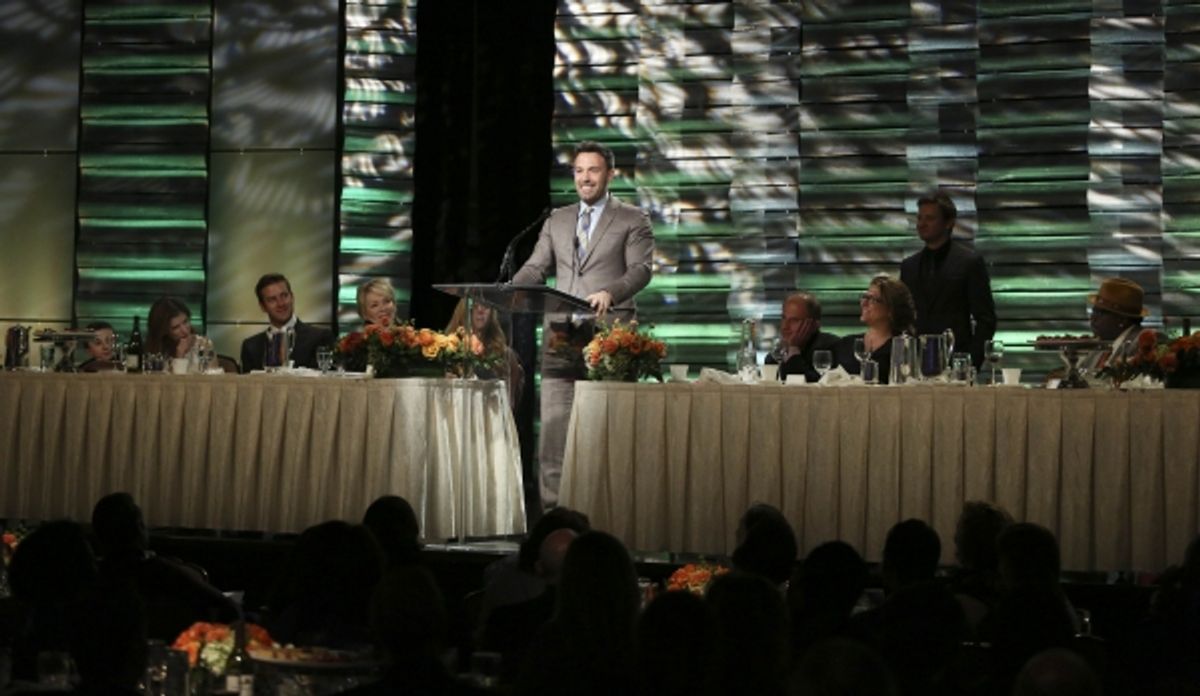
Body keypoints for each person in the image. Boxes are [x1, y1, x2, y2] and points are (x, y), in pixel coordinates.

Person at [512, 140, 654, 508]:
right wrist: (512, 287)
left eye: (593, 170)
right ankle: (553, 513)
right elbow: (536, 265)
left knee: (607, 429)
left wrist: (611, 291)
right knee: (556, 430)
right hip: (563, 334)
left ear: (610, 174)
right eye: (579, 171)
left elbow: (641, 270)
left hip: (609, 335)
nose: (585, 178)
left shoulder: (632, 219)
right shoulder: (557, 219)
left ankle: (610, 511)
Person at [899, 191, 997, 367]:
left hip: (956, 361)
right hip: (915, 364)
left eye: (929, 218)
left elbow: (986, 319)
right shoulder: (909, 266)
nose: (921, 224)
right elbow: (903, 318)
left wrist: (971, 362)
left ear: (949, 222)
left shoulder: (969, 262)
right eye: (919, 218)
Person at [831, 274, 916, 385]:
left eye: (873, 299)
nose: (864, 303)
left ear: (891, 310)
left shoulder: (903, 349)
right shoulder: (846, 344)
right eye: (865, 297)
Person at [239, 273, 334, 372]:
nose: (281, 303)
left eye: (284, 296)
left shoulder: (320, 338)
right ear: (262, 306)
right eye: (272, 299)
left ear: (292, 297)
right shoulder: (251, 346)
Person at [445, 298, 525, 411]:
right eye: (475, 306)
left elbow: (509, 404)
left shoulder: (505, 354)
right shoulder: (447, 348)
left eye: (485, 306)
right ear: (463, 311)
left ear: (492, 313)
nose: (480, 310)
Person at [763, 292, 838, 383]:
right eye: (784, 318)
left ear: (814, 325)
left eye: (794, 320)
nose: (785, 326)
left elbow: (808, 387)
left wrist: (793, 350)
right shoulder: (775, 356)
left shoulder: (831, 349)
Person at [1081, 277, 1150, 371]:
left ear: (1122, 319)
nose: (1093, 318)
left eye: (1100, 313)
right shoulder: (1099, 344)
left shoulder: (1144, 341)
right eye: (1093, 311)